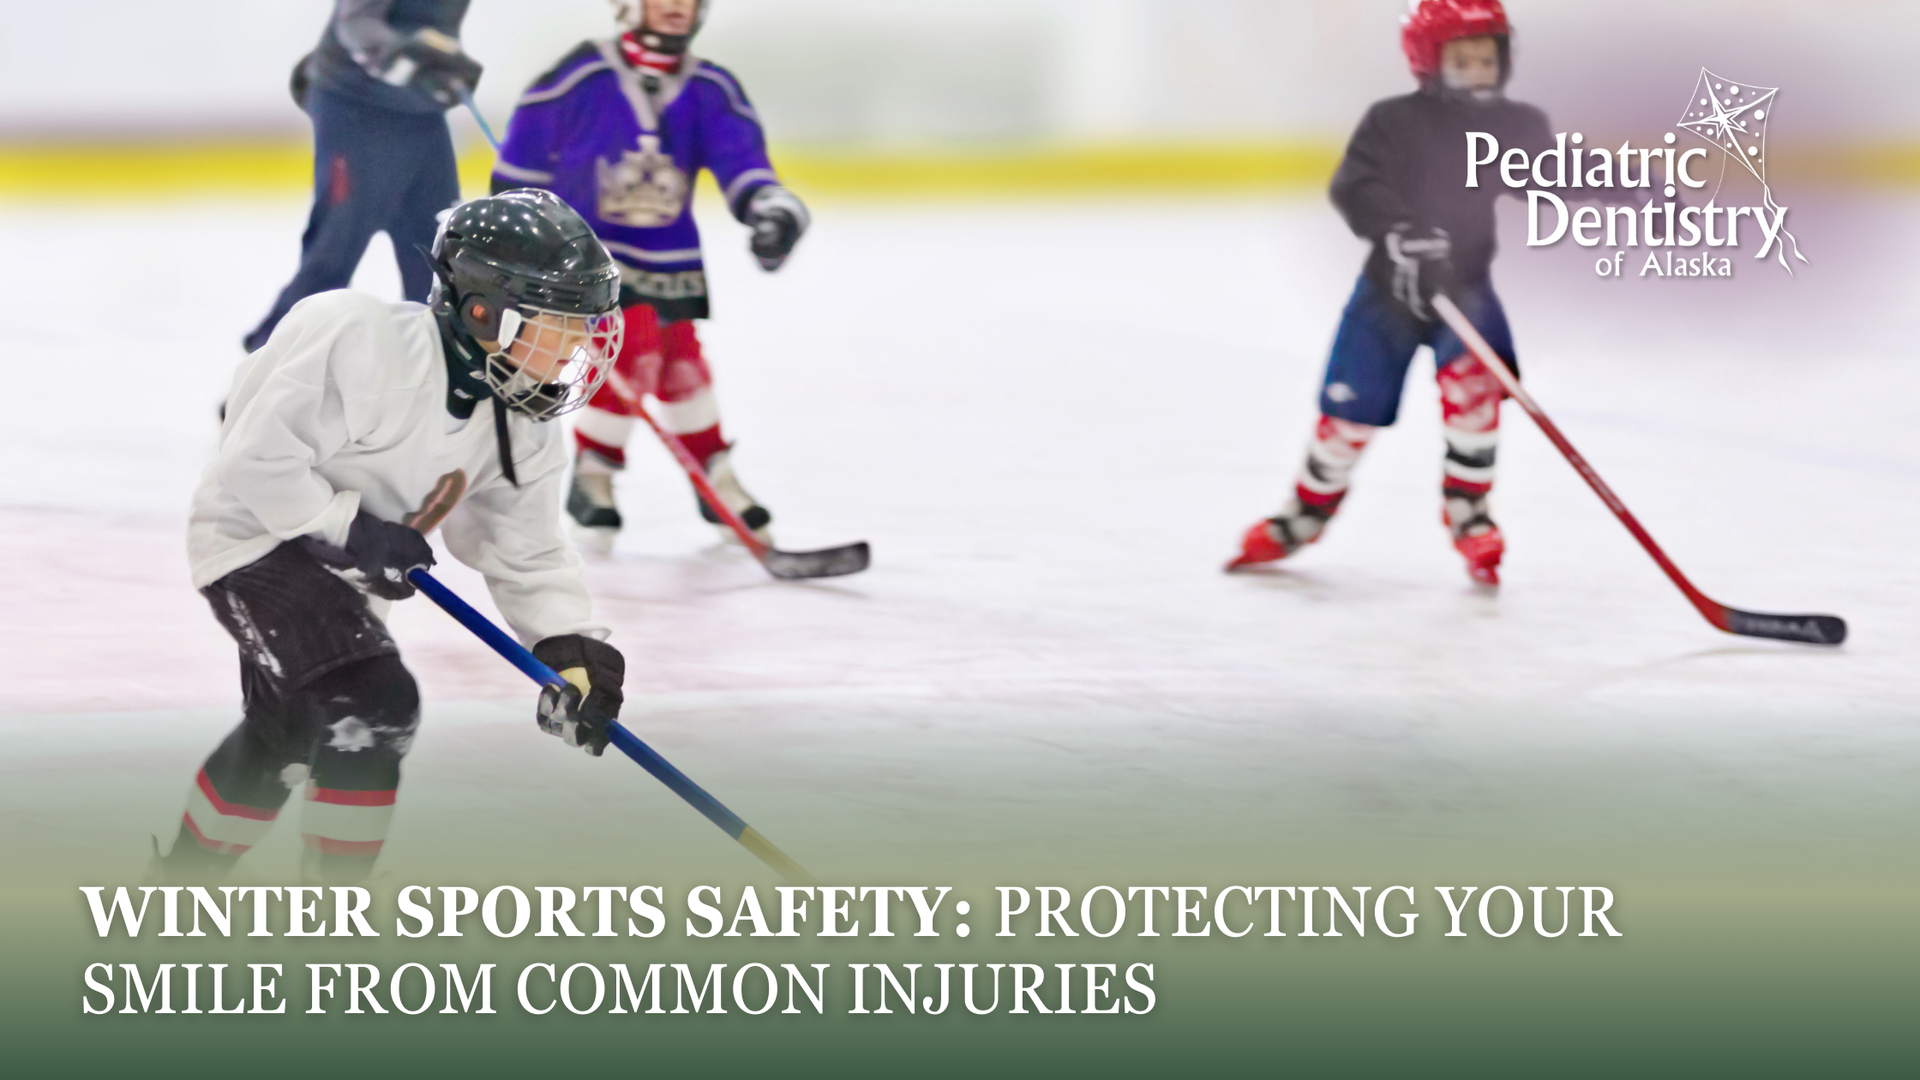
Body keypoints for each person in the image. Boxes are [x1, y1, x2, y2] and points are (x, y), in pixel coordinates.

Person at [157, 191, 630, 886]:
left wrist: (570, 645)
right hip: (255, 541)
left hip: (345, 580)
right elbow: (254, 460)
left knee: (284, 734)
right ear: (482, 312)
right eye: (560, 324)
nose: (579, 347)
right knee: (374, 706)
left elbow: (522, 547)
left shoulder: (522, 422)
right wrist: (350, 526)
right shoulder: (358, 340)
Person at [1229, 0, 1588, 587]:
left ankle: (1468, 510)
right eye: (1463, 59)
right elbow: (1356, 182)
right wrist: (1397, 228)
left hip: (1464, 290)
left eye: (1487, 57)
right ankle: (1306, 511)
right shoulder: (1391, 122)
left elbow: (1554, 174)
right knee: (1348, 415)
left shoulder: (1514, 125)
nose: (1479, 70)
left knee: (1475, 393)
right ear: (1427, 61)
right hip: (1386, 298)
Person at [489, 0, 810, 550]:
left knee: (681, 357)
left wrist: (770, 209)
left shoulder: (710, 87)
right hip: (588, 256)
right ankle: (596, 473)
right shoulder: (581, 75)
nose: (677, 7)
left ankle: (712, 473)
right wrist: (519, 227)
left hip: (670, 257)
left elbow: (743, 159)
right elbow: (521, 161)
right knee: (631, 349)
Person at [241, 0, 482, 354]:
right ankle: (268, 367)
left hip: (418, 112)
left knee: (439, 257)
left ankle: (438, 375)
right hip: (356, 109)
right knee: (334, 250)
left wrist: (443, 64)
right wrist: (405, 60)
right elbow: (357, 23)